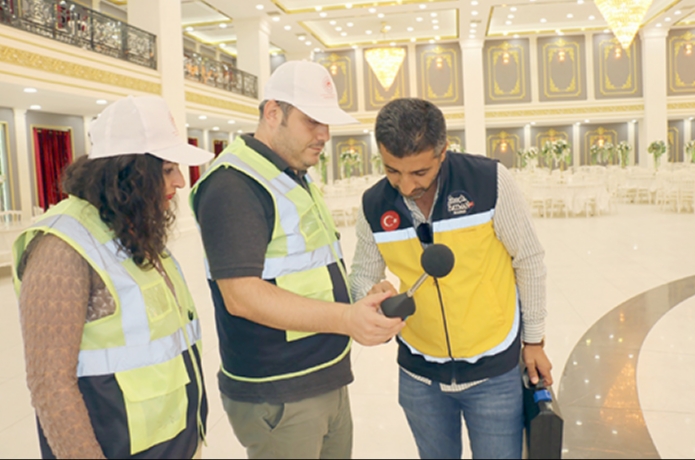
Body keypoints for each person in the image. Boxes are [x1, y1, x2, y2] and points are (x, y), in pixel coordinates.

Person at [190, 60, 404, 459]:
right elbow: (242, 296)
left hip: (322, 375)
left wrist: (360, 302)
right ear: (274, 113)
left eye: (327, 123)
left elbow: (308, 271)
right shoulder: (234, 184)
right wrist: (346, 318)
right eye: (312, 121)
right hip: (280, 392)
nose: (325, 135)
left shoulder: (289, 174)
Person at [349, 98, 553, 459]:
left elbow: (529, 260)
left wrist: (533, 341)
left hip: (494, 369)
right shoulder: (374, 204)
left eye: (419, 172)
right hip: (419, 374)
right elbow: (362, 275)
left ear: (443, 152)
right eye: (392, 170)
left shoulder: (488, 181)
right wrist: (371, 293)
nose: (405, 185)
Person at [12, 95, 212, 459]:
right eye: (168, 169)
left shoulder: (132, 228)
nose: (181, 181)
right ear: (129, 172)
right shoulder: (63, 247)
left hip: (177, 444)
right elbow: (50, 384)